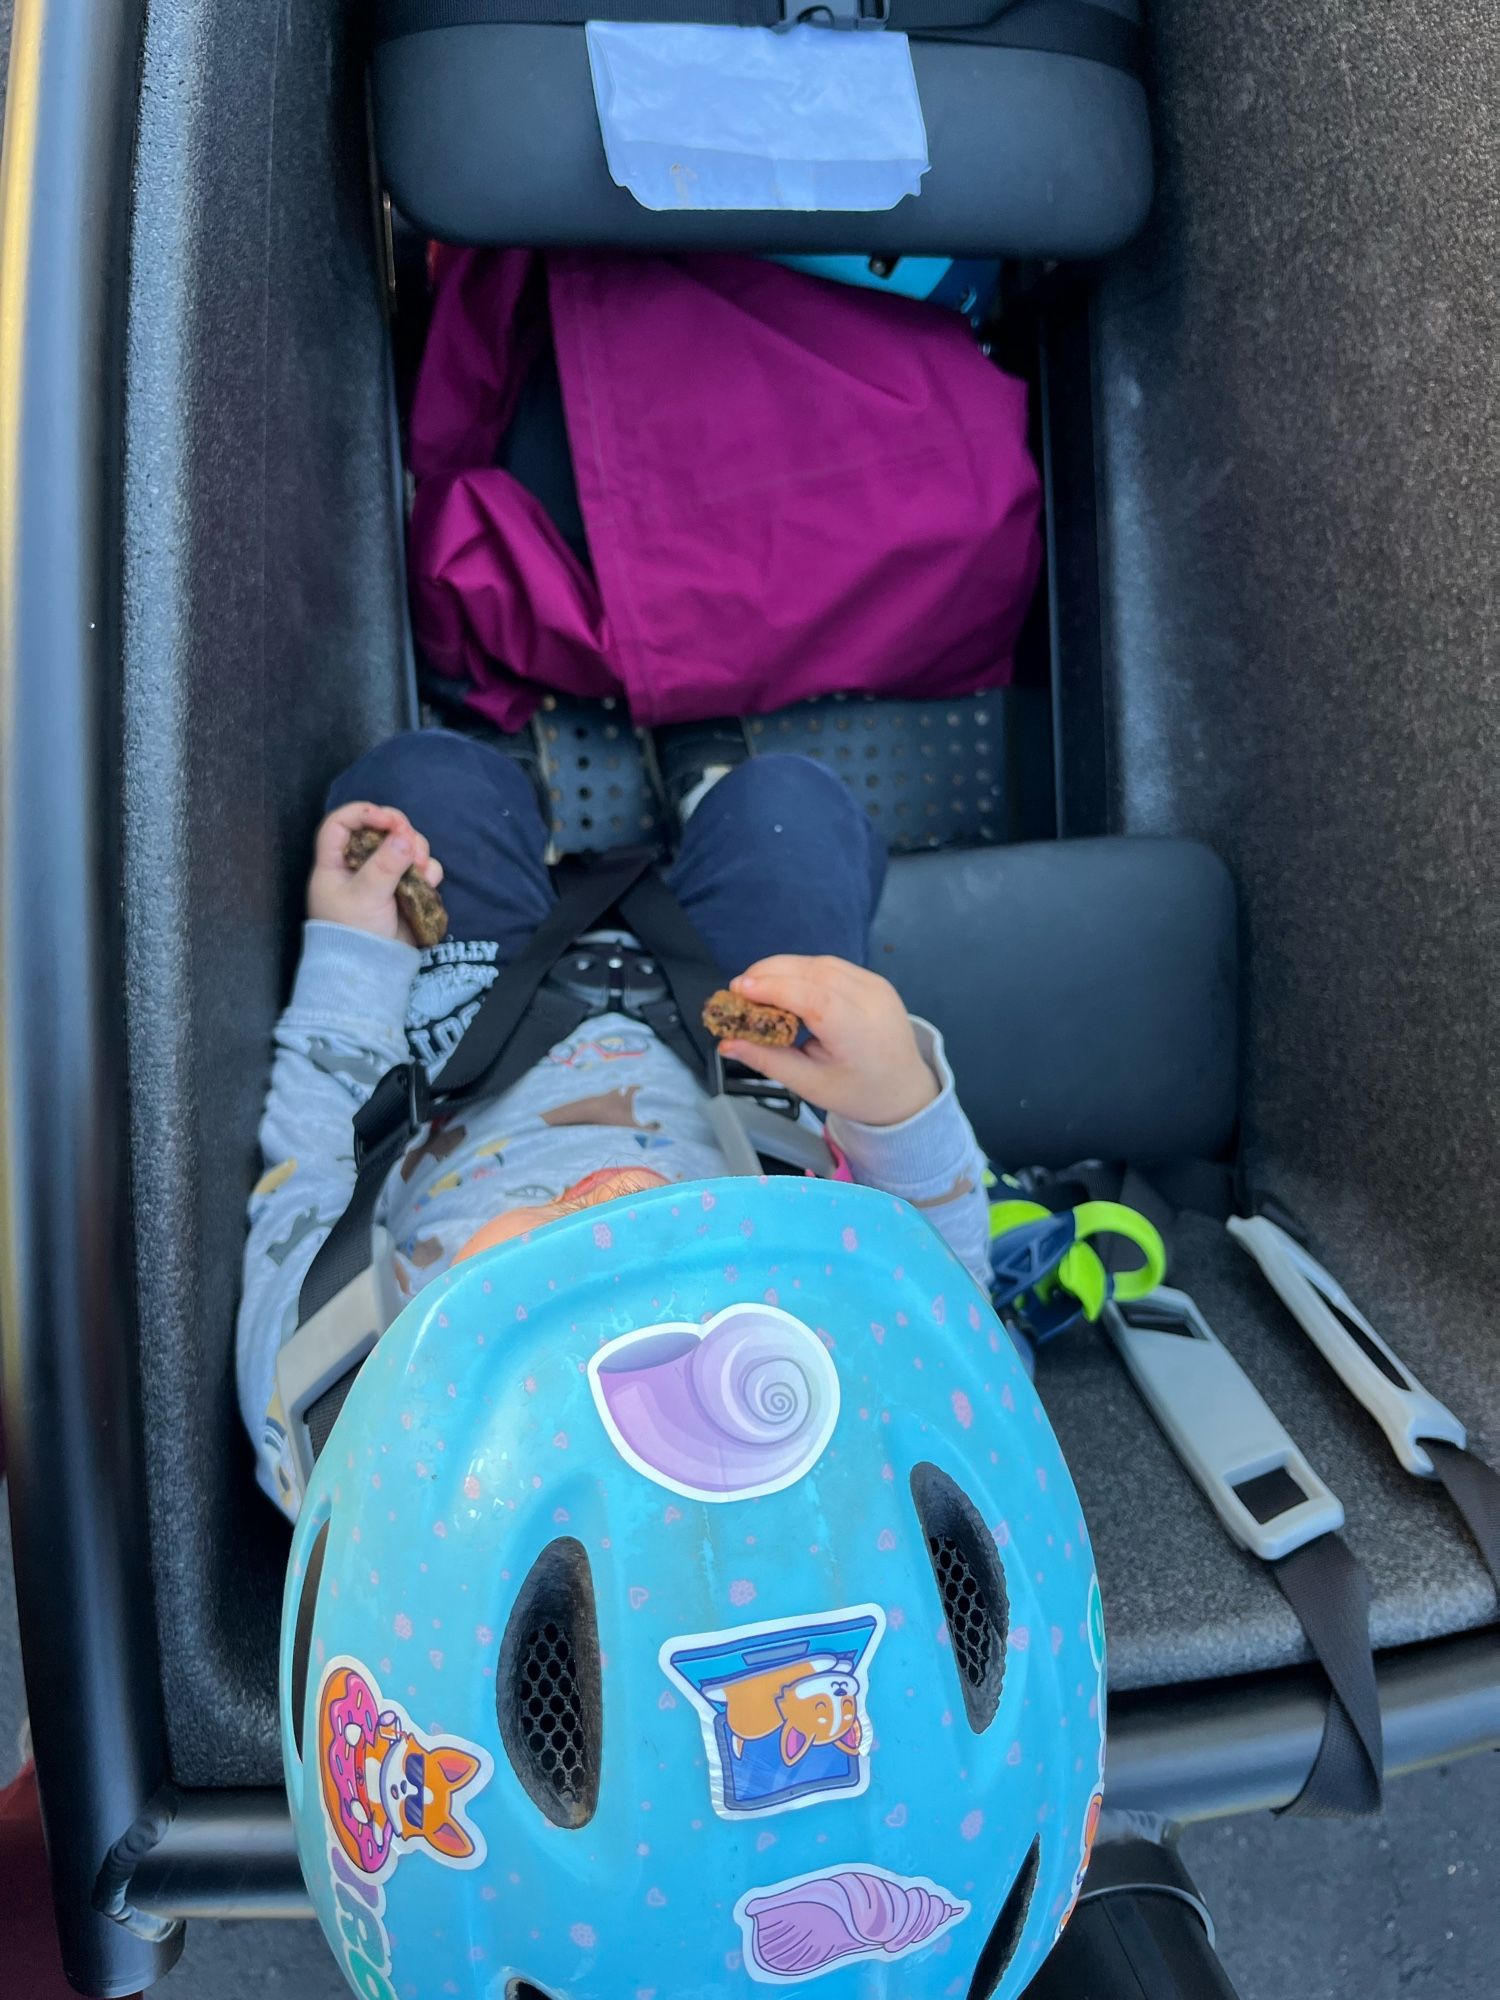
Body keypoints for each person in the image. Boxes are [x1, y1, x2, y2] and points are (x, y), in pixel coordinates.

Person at [237, 731, 991, 1515]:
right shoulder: (860, 1425)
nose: (626, 1197)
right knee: (790, 810)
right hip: (753, 1056)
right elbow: (952, 1318)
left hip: (463, 1034)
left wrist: (352, 960)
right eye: (681, 1270)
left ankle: (519, 816)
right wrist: (898, 1102)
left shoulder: (347, 1437)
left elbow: (309, 1195)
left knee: (426, 787)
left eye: (550, 1285)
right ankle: (710, 801)